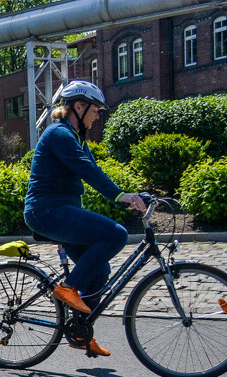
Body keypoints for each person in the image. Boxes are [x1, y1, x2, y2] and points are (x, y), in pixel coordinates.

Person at [23, 80, 147, 358]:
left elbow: (94, 169)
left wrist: (135, 195)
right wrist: (119, 196)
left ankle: (80, 333)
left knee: (100, 270)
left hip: (58, 212)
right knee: (116, 234)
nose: (98, 115)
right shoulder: (58, 134)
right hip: (45, 211)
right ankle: (68, 287)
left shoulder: (74, 137)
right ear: (78, 106)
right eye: (95, 109)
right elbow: (87, 171)